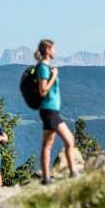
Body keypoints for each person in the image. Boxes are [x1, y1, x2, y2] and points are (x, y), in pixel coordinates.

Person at [35, 39, 77, 185]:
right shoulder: (43, 68)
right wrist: (54, 76)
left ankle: (72, 173)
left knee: (69, 140)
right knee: (49, 144)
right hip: (48, 110)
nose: (55, 51)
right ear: (47, 50)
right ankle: (47, 177)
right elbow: (43, 90)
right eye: (53, 49)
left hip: (52, 111)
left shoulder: (46, 67)